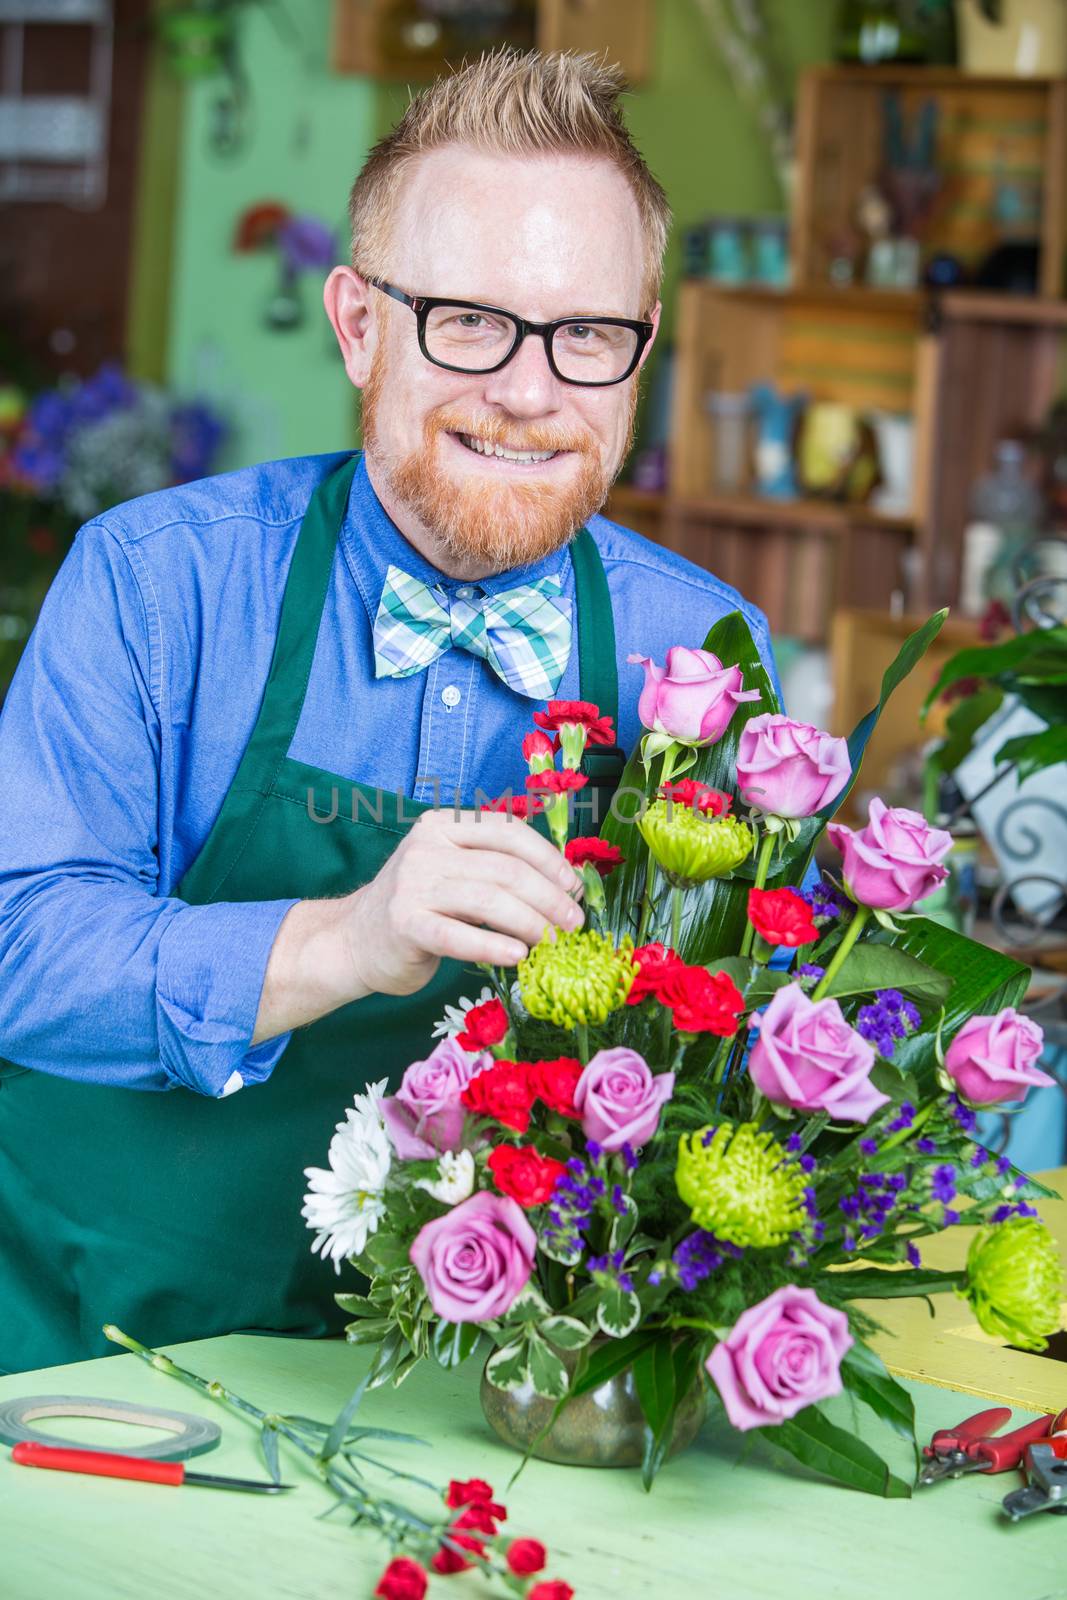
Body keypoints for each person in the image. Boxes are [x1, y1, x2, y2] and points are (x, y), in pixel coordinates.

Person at [0, 50, 786, 1376]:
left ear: (642, 348)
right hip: (94, 1354)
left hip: (486, 1400)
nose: (530, 392)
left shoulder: (700, 652)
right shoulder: (157, 584)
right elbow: (20, 955)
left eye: (587, 334)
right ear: (360, 324)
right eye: (469, 321)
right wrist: (349, 936)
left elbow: (736, 1042)